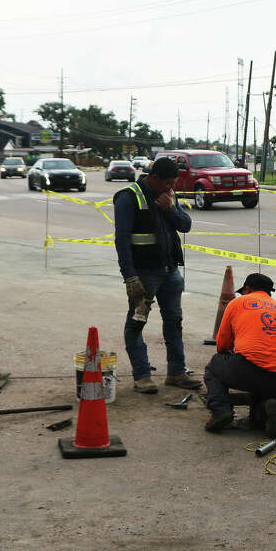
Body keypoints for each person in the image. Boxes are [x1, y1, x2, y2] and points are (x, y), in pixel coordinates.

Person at [114, 155, 201, 394]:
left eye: (173, 183)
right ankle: (141, 375)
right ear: (153, 178)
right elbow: (121, 241)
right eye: (167, 183)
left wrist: (170, 208)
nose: (171, 187)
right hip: (144, 275)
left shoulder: (169, 197)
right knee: (137, 322)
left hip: (170, 272)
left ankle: (176, 372)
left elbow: (185, 225)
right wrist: (129, 277)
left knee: (174, 323)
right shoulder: (129, 197)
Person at [203, 273, 276, 436]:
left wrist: (235, 351)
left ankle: (220, 411)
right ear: (269, 292)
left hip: (249, 370)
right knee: (262, 372)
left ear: (247, 289)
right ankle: (266, 412)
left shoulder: (238, 302)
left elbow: (222, 344)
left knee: (215, 365)